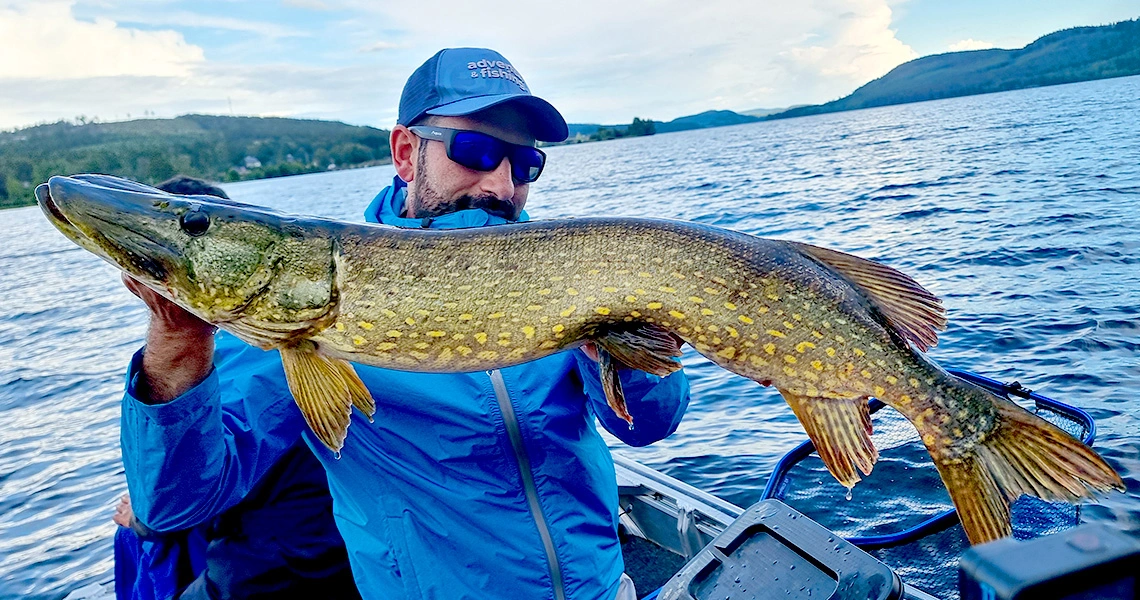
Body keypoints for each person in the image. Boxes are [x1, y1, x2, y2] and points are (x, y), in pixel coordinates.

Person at [119, 48, 690, 600]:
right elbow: (175, 504)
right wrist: (177, 342)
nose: (499, 184)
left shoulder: (573, 268)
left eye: (525, 163)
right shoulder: (310, 287)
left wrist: (624, 344)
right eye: (475, 150)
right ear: (403, 151)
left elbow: (648, 426)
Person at [113, 176, 360, 600]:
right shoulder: (265, 334)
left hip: (289, 564)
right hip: (312, 541)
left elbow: (172, 506)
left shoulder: (261, 346)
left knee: (140, 542)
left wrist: (141, 520)